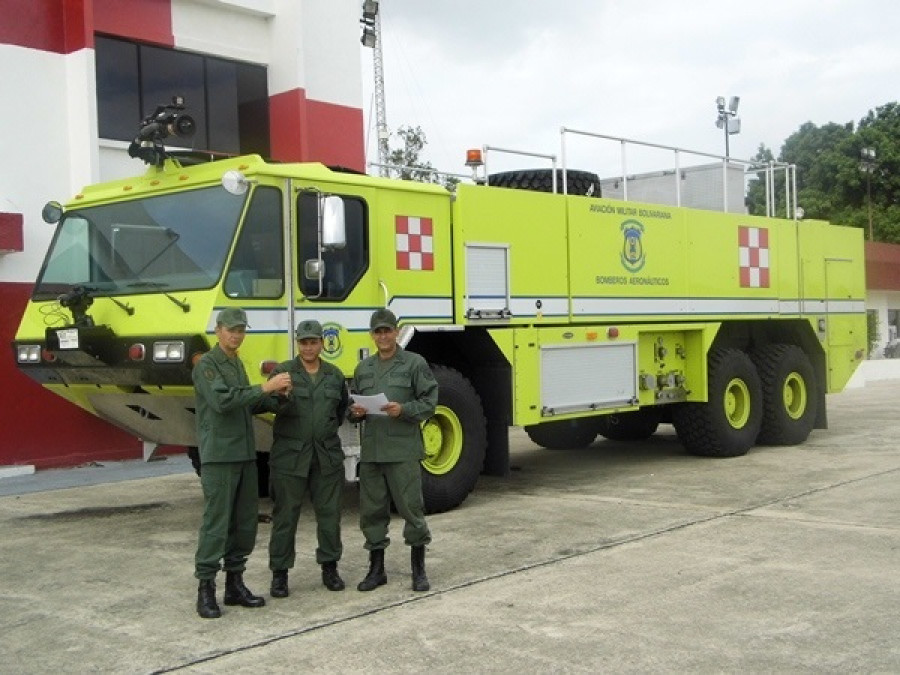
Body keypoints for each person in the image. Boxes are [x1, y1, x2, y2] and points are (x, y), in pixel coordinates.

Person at [192, 307, 292, 619]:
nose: (236, 335)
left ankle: (234, 584)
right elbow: (223, 400)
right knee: (217, 522)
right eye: (231, 329)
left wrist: (278, 398)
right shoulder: (207, 365)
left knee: (244, 522)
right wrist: (265, 387)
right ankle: (206, 589)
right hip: (220, 456)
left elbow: (246, 402)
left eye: (241, 330)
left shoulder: (236, 364)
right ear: (218, 330)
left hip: (244, 454)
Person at [348, 308, 438, 592]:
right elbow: (350, 412)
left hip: (403, 451)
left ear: (396, 332)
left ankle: (418, 570)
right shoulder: (364, 368)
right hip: (373, 452)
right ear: (372, 335)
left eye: (388, 330)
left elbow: (429, 402)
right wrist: (356, 412)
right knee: (371, 513)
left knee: (412, 510)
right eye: (378, 331)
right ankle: (376, 570)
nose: (383, 336)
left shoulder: (414, 363)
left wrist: (404, 409)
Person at [267, 320, 349, 598]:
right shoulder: (284, 373)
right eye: (304, 342)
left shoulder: (335, 375)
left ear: (322, 344)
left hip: (325, 456)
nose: (309, 347)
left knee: (329, 515)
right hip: (291, 458)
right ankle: (280, 574)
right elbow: (268, 404)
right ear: (297, 344)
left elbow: (339, 411)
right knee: (285, 516)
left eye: (314, 342)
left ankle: (330, 567)